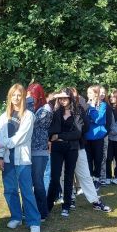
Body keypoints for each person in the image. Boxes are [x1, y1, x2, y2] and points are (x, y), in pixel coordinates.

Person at [0, 84, 41, 232]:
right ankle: (16, 217)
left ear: (23, 97)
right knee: (10, 190)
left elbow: (20, 138)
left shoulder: (28, 116)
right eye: (13, 95)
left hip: (22, 158)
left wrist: (3, 143)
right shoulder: (4, 117)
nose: (16, 98)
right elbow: (0, 137)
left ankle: (33, 221)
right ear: (9, 97)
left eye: (19, 95)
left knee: (27, 190)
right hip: (7, 158)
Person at [47, 88, 85, 218]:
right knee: (55, 177)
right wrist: (57, 136)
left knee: (69, 177)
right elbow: (51, 132)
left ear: (70, 98)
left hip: (71, 149)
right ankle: (48, 205)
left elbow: (78, 134)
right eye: (60, 98)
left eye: (65, 98)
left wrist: (60, 136)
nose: (62, 100)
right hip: (57, 149)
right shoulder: (55, 112)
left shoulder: (77, 112)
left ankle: (67, 205)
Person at [30, 85, 53, 224]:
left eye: (32, 95)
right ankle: (30, 210)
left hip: (39, 151)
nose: (30, 98)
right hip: (29, 150)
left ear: (39, 95)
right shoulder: (34, 108)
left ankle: (42, 212)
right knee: (30, 182)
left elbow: (31, 122)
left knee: (38, 182)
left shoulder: (46, 109)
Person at [84, 85, 108, 187]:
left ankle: (97, 179)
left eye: (90, 93)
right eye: (88, 93)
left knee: (98, 159)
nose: (88, 95)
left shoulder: (102, 105)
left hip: (98, 136)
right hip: (87, 136)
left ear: (96, 94)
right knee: (88, 159)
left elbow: (98, 119)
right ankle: (90, 181)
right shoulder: (85, 105)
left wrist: (92, 108)